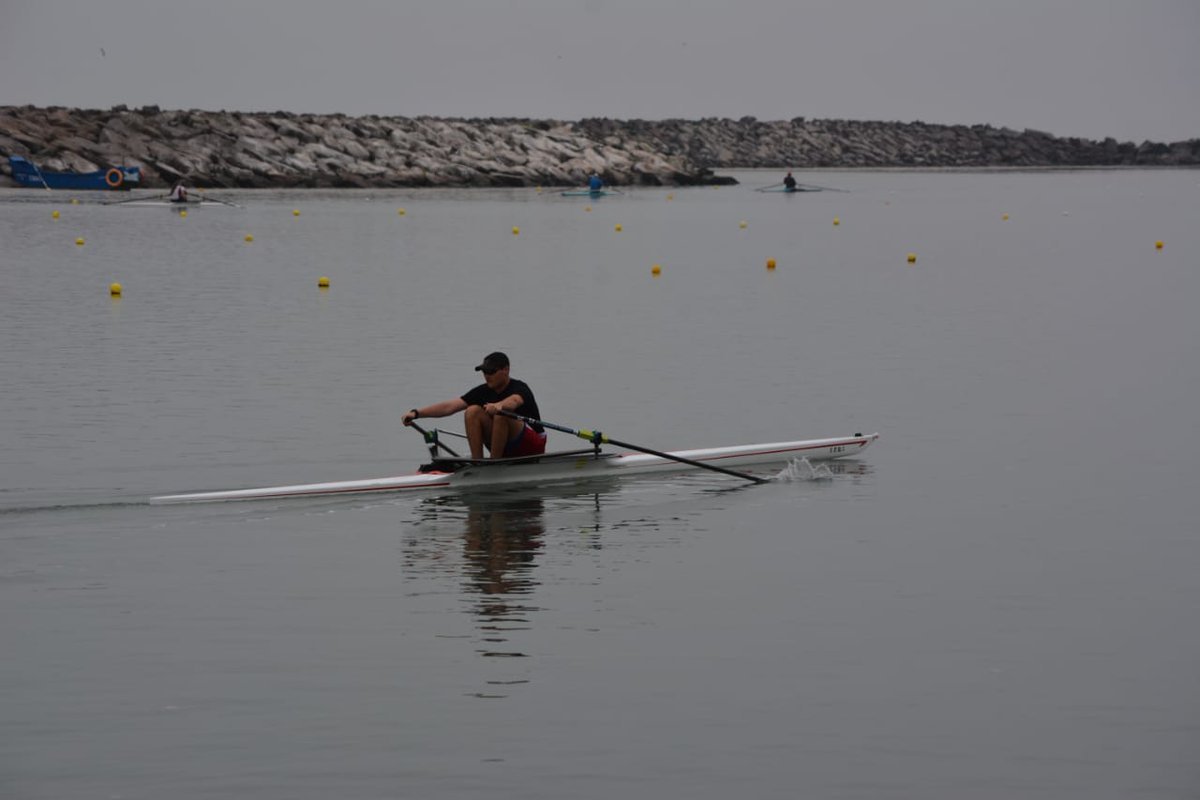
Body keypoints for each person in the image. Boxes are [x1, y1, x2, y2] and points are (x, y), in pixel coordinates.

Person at [402, 352, 547, 460]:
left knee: (501, 414)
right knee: (472, 411)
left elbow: (514, 401)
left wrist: (499, 405)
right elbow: (450, 406)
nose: (487, 375)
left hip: (532, 445)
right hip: (506, 444)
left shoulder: (520, 387)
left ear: (506, 370)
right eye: (484, 371)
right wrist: (416, 413)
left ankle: (493, 465)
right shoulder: (482, 391)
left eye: (491, 371)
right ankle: (477, 462)